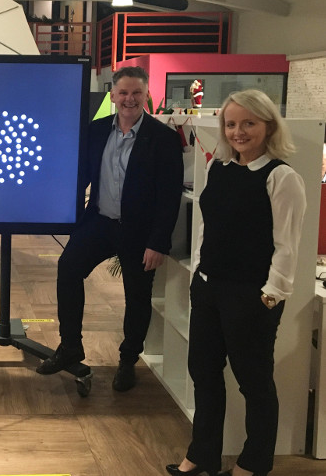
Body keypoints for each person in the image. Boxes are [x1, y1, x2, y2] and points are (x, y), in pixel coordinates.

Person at [166, 90, 306, 476]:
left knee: (254, 383)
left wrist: (271, 296)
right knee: (204, 375)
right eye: (231, 124)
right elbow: (206, 227)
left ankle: (253, 464)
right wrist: (198, 273)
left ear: (268, 126)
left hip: (251, 296)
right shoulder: (219, 168)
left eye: (249, 123)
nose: (238, 131)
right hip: (210, 289)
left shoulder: (281, 177)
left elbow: (287, 245)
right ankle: (202, 456)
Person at [36, 66, 183, 391]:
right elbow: (81, 176)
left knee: (137, 296)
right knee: (68, 268)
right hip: (99, 222)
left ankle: (128, 360)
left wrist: (158, 242)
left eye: (136, 93)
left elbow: (169, 196)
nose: (130, 99)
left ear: (146, 95)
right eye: (124, 92)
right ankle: (70, 346)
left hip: (140, 232)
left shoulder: (164, 139)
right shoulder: (97, 130)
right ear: (113, 95)